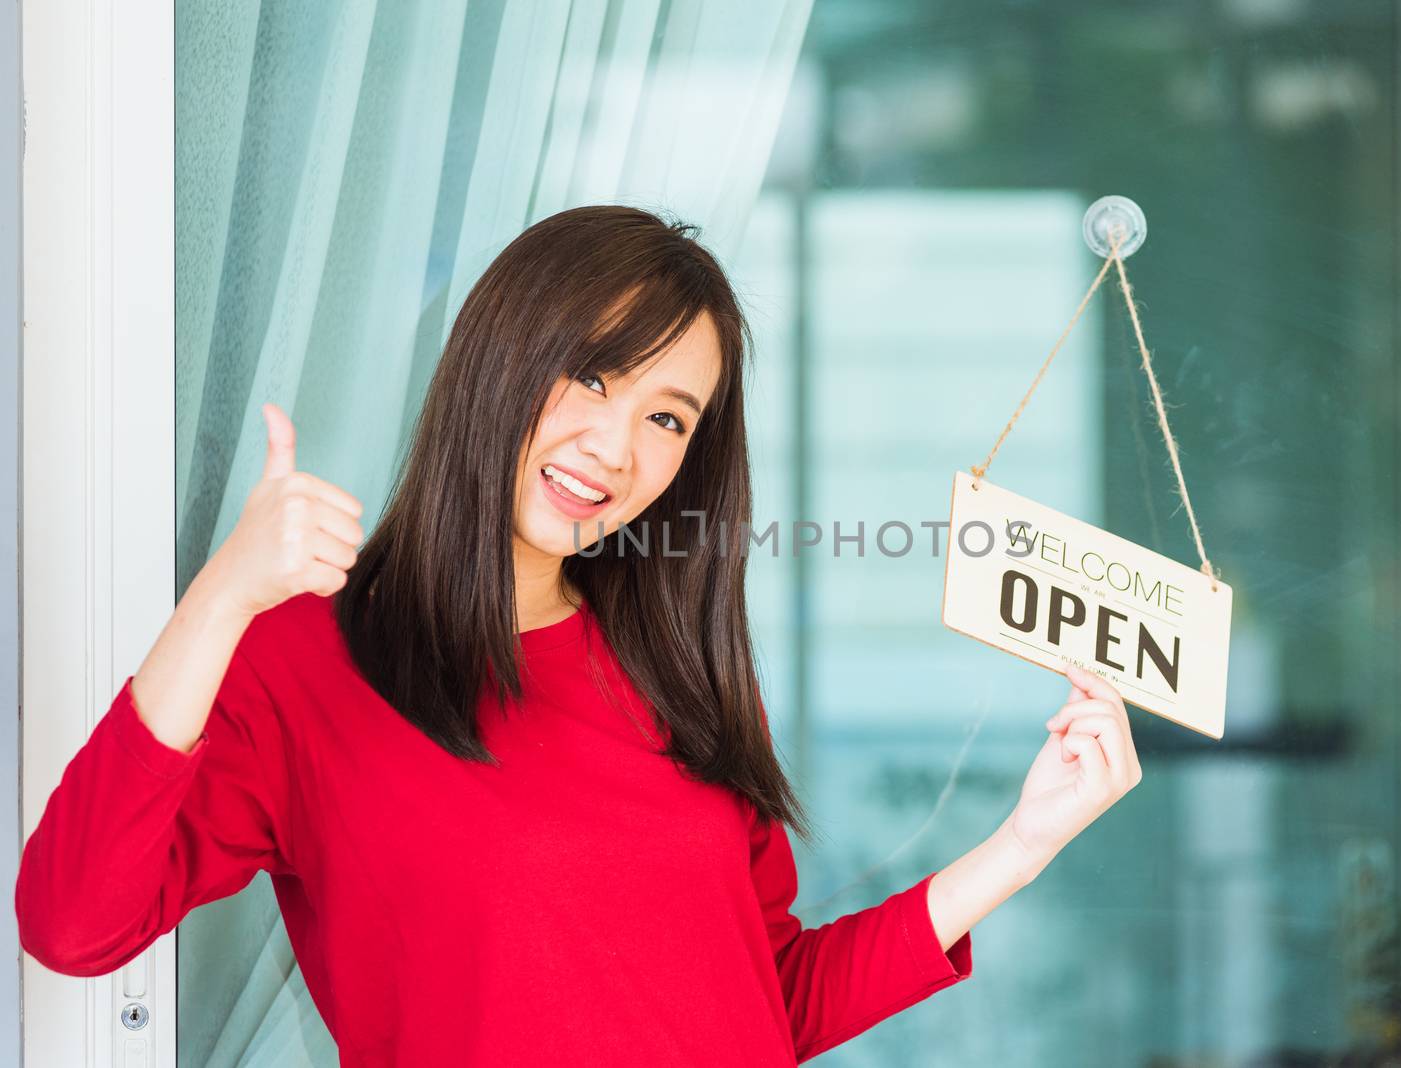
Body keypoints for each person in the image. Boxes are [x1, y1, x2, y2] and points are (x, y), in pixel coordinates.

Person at [15, 204, 1142, 1065]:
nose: (615, 446)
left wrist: (1022, 844)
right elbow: (72, 926)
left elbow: (771, 999)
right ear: (496, 359)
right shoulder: (306, 662)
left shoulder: (677, 668)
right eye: (589, 375)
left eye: (665, 418)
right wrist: (219, 599)